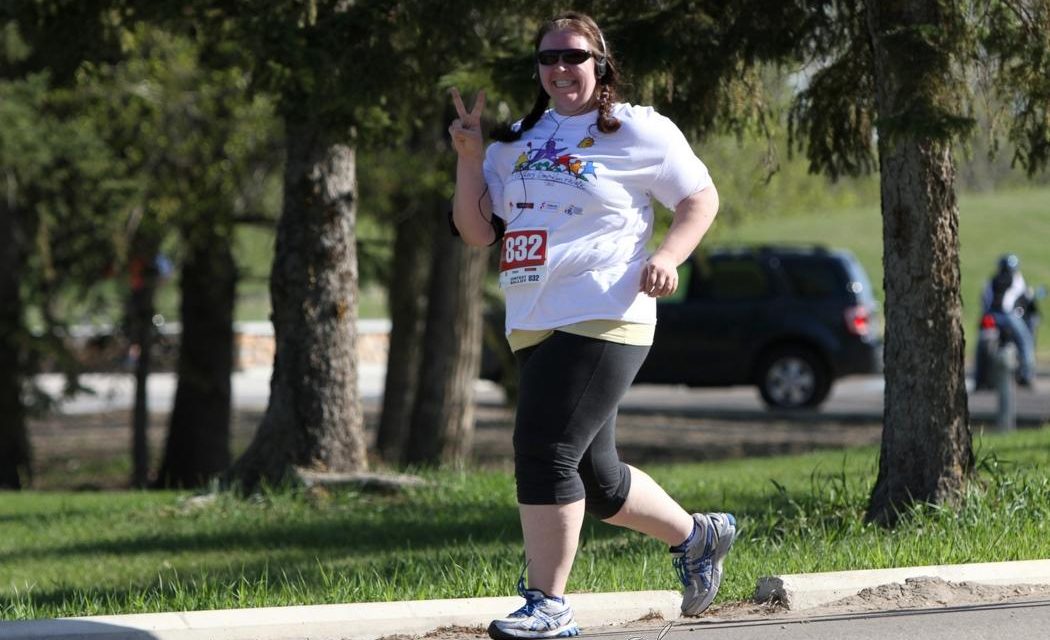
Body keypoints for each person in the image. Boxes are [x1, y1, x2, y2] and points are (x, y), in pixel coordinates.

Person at [448, 12, 734, 640]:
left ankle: (548, 604)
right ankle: (698, 536)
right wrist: (469, 159)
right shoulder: (512, 142)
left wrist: (668, 256)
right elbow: (477, 232)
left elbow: (700, 198)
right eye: (548, 58)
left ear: (600, 64)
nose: (560, 68)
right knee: (597, 480)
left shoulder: (639, 130)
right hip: (533, 317)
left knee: (544, 448)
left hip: (607, 308)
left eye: (573, 56)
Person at [981, 253, 1036, 387]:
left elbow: (984, 298)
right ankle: (1026, 374)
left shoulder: (992, 280)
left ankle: (979, 379)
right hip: (1008, 315)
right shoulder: (1017, 279)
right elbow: (1026, 297)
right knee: (1025, 340)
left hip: (990, 315)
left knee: (981, 341)